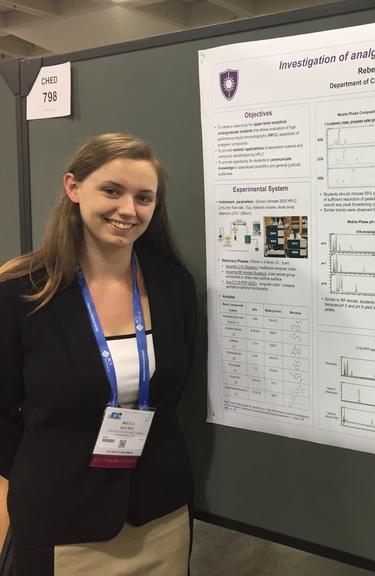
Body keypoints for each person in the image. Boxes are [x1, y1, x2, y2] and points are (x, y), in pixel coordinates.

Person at [0, 134, 197, 575]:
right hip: (61, 517)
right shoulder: (21, 293)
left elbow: (173, 392)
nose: (129, 210)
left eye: (143, 197)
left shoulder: (173, 286)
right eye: (112, 190)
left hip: (160, 510)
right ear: (74, 188)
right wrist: (43, 470)